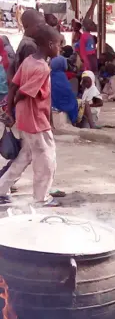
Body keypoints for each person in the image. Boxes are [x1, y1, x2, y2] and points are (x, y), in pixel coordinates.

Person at [0, 24, 61, 207]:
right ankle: (41, 198)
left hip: (25, 119)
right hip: (37, 122)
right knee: (46, 159)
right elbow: (23, 92)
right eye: (58, 44)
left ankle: (1, 190)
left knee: (24, 156)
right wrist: (13, 107)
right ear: (50, 45)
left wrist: (9, 111)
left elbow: (13, 86)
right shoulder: (42, 68)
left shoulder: (28, 61)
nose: (60, 48)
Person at [50, 56, 79, 124]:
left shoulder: (51, 74)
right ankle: (74, 121)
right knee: (75, 103)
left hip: (53, 103)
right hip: (64, 104)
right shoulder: (62, 76)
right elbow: (68, 93)